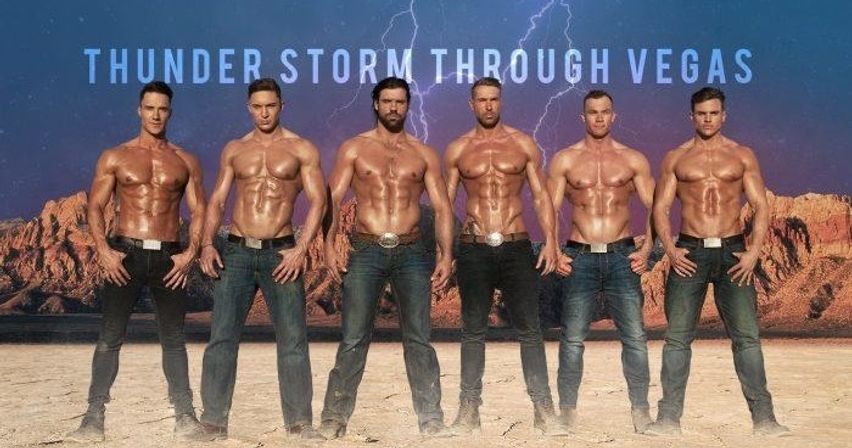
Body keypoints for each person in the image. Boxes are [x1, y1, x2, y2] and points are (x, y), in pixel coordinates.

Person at [67, 81, 207, 442]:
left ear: (170, 113)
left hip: (169, 257)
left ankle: (185, 416)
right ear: (139, 110)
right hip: (124, 254)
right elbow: (95, 206)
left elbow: (200, 210)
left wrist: (190, 254)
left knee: (174, 340)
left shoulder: (185, 160)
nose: (156, 115)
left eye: (162, 109)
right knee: (110, 337)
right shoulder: (115, 156)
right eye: (150, 108)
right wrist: (103, 250)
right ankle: (93, 417)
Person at [646, 87, 789, 437]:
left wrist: (754, 252)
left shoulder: (742, 155)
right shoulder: (676, 158)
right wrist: (670, 249)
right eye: (701, 113)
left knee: (747, 339)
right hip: (689, 253)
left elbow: (761, 206)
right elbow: (660, 208)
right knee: (677, 339)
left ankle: (765, 420)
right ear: (691, 116)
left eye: (713, 113)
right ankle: (667, 420)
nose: (707, 119)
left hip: (733, 253)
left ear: (723, 116)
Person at [318, 77, 454, 439]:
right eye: (387, 101)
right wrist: (329, 245)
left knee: (419, 339)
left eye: (400, 102)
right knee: (353, 338)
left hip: (412, 253)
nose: (394, 107)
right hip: (366, 250)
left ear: (408, 106)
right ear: (375, 104)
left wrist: (446, 255)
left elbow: (442, 207)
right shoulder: (354, 148)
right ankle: (334, 418)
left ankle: (431, 418)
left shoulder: (424, 154)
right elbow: (332, 199)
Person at [196, 78, 326, 440]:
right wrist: (207, 244)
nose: (264, 113)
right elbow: (217, 200)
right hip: (237, 251)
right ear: (248, 108)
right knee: (222, 338)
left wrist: (301, 249)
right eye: (257, 106)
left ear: (282, 105)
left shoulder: (301, 149)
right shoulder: (235, 149)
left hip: (281, 253)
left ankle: (300, 424)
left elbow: (319, 200)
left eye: (270, 105)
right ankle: (213, 422)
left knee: (293, 340)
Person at [443, 77, 567, 436]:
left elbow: (541, 197)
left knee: (530, 329)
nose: (488, 106)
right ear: (471, 105)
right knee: (472, 331)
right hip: (474, 247)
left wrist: (551, 241)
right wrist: (445, 253)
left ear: (501, 101)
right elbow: (445, 205)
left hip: (515, 245)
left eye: (494, 99)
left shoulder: (522, 144)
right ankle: (468, 411)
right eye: (481, 100)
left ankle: (544, 410)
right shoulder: (457, 149)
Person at [547, 90, 655, 433]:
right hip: (579, 255)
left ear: (613, 116)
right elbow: (548, 208)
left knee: (634, 337)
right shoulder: (565, 160)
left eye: (604, 111)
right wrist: (554, 250)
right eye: (592, 112)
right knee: (572, 339)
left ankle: (641, 411)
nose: (598, 117)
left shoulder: (632, 159)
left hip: (623, 256)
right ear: (583, 117)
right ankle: (567, 413)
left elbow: (657, 206)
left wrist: (647, 249)